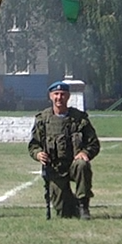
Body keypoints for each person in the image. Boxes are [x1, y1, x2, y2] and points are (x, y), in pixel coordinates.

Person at [28, 81, 100, 219]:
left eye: (62, 94)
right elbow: (33, 145)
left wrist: (85, 152)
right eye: (56, 94)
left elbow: (94, 143)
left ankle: (83, 205)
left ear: (68, 97)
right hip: (55, 168)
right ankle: (72, 204)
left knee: (82, 165)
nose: (59, 98)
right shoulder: (43, 119)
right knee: (64, 213)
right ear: (50, 96)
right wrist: (38, 154)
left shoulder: (79, 119)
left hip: (74, 164)